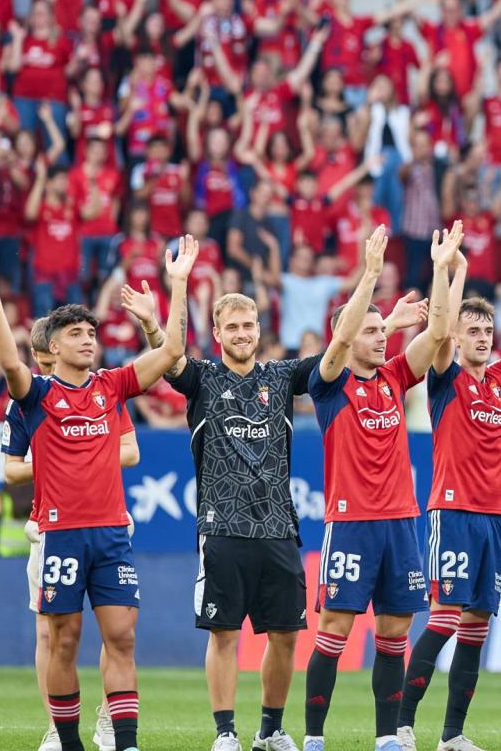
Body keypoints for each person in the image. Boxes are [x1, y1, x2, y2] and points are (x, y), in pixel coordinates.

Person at [0, 236, 197, 751]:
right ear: (53, 348)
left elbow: (173, 352)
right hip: (60, 534)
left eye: (91, 332)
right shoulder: (38, 396)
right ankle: (66, 740)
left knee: (123, 637)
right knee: (62, 641)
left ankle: (125, 742)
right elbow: (10, 365)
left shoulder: (112, 386)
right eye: (75, 334)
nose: (88, 340)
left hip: (111, 533)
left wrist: (178, 285)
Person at [399, 232, 501, 750]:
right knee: (444, 619)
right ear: (457, 335)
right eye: (474, 330)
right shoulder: (445, 377)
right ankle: (401, 726)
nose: (484, 338)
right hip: (453, 510)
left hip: (495, 514)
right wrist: (454, 271)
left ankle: (452, 735)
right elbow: (440, 329)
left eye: (488, 330)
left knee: (476, 627)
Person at [301, 225, 455, 751]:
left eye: (381, 329)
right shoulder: (329, 384)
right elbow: (342, 341)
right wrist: (369, 274)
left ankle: (387, 737)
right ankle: (314, 738)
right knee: (334, 632)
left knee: (394, 634)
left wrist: (441, 268)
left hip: (400, 525)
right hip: (351, 525)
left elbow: (438, 334)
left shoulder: (393, 377)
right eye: (371, 331)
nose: (381, 336)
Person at [160, 279, 332, 751]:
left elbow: (337, 353)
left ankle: (270, 730)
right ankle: (225, 733)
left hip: (277, 527)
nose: (242, 333)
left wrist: (372, 279)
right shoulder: (201, 378)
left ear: (260, 329)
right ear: (217, 333)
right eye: (232, 326)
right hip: (222, 527)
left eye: (248, 325)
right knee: (224, 634)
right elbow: (168, 353)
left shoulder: (282, 376)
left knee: (286, 636)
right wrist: (179, 285)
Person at [5, 317, 143, 751]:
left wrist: (83, 453)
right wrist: (56, 455)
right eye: (43, 360)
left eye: (88, 336)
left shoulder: (104, 390)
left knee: (116, 630)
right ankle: (56, 725)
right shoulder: (29, 399)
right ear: (42, 354)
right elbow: (11, 469)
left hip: (104, 519)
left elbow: (131, 451)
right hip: (48, 527)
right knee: (51, 634)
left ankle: (108, 718)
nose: (46, 366)